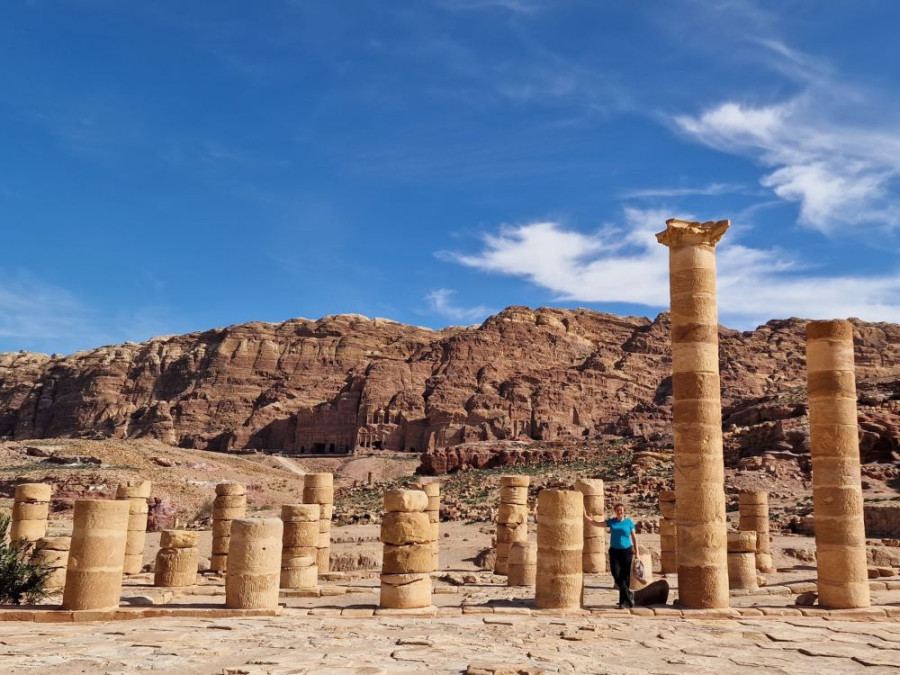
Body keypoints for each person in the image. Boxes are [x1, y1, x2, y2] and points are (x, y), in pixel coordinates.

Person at [585, 502, 638, 608]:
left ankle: (623, 602)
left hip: (626, 551)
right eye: (618, 509)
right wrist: (585, 516)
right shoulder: (612, 522)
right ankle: (629, 595)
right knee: (616, 575)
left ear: (624, 511)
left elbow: (634, 538)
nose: (620, 511)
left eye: (621, 509)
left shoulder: (629, 522)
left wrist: (637, 553)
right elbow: (596, 523)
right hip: (614, 551)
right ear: (615, 511)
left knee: (625, 577)